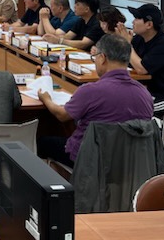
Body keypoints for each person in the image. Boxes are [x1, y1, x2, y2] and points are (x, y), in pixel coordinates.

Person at [37, 34, 153, 167]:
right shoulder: (145, 94)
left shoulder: (91, 90)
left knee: (42, 142)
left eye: (95, 57)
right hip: (128, 162)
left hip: (90, 159)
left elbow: (62, 115)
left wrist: (46, 99)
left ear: (102, 58)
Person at [116, 4, 164, 115]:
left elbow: (142, 69)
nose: (133, 22)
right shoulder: (139, 39)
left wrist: (127, 44)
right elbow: (123, 58)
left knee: (128, 110)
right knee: (114, 102)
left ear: (149, 24)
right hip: (146, 91)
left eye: (137, 18)